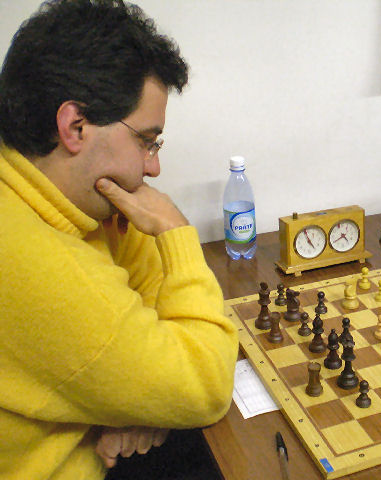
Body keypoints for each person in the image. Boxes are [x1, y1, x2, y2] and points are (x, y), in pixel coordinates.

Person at [0, 1, 238, 479]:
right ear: (75, 127)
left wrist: (145, 404)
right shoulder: (39, 266)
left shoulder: (55, 193)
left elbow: (150, 289)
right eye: (146, 141)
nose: (153, 166)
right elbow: (208, 384)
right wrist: (175, 234)